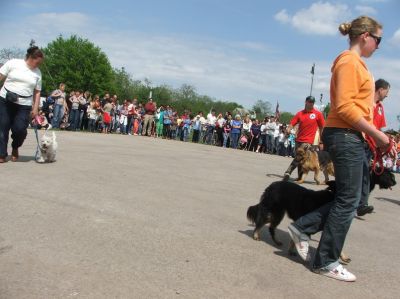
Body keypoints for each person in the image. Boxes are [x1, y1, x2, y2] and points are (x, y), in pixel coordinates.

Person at [287, 16, 396, 282]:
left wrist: (379, 139)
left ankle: (304, 229)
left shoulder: (358, 64)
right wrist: (377, 135)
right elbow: (345, 107)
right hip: (345, 135)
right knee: (348, 200)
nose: (380, 46)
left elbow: (360, 109)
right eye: (378, 39)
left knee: (352, 199)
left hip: (352, 135)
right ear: (365, 36)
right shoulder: (348, 62)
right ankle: (324, 259)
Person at [0, 46, 44, 163]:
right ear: (31, 57)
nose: (38, 65)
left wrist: (35, 108)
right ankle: (2, 154)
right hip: (5, 100)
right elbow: (1, 76)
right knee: (2, 127)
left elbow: (37, 91)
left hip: (24, 104)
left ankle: (15, 147)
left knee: (20, 129)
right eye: (38, 62)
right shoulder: (13, 63)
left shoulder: (37, 73)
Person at [357, 78, 391, 216]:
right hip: (360, 143)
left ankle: (360, 204)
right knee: (360, 175)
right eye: (387, 92)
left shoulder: (380, 108)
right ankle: (359, 204)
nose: (387, 95)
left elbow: (379, 129)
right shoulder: (365, 101)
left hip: (370, 148)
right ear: (381, 89)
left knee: (364, 176)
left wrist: (385, 145)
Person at [282, 96, 325, 181]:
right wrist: (289, 129)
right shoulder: (300, 113)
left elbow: (322, 127)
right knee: (300, 159)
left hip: (308, 141)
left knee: (299, 156)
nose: (311, 103)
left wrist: (321, 140)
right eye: (309, 101)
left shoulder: (317, 114)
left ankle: (288, 172)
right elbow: (292, 123)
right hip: (298, 140)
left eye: (312, 102)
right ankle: (300, 177)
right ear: (306, 102)